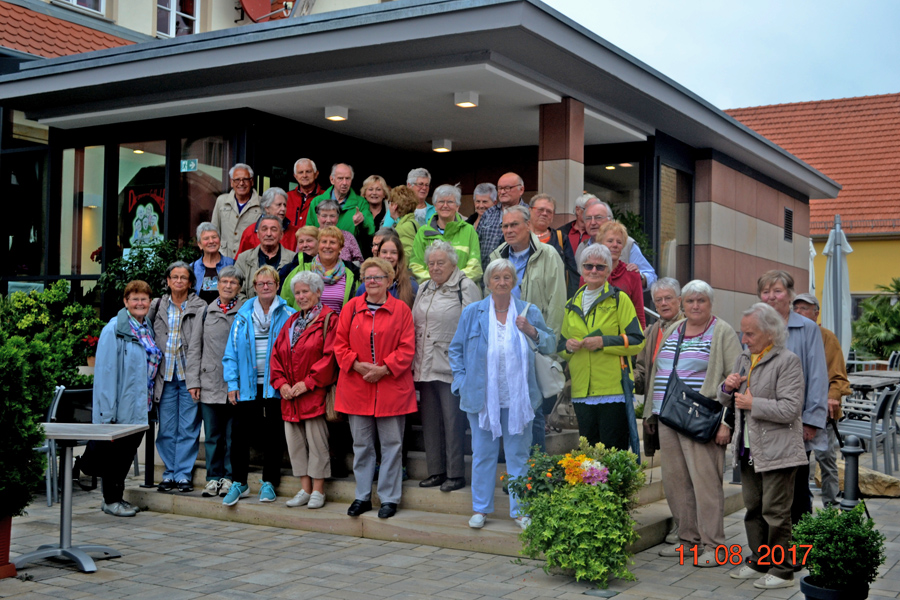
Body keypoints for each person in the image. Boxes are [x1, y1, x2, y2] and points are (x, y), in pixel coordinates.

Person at [449, 258, 556, 530]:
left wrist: (530, 330)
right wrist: (461, 382)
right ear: (487, 282)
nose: (502, 282)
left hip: (520, 399)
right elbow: (455, 350)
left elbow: (551, 343)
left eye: (507, 277)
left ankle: (521, 511)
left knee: (518, 456)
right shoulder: (473, 312)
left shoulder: (527, 311)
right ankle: (481, 509)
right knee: (483, 454)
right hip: (482, 400)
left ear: (514, 281)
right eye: (496, 278)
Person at [644, 280, 742, 567]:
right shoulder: (675, 329)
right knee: (676, 483)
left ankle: (714, 545)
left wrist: (727, 423)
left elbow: (735, 380)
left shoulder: (721, 331)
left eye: (701, 301)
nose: (695, 306)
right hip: (668, 416)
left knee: (706, 484)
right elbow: (659, 371)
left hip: (701, 419)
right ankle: (688, 540)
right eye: (690, 301)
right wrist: (652, 411)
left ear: (710, 303)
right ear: (682, 305)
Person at [721, 302, 806, 590]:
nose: (744, 340)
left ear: (770, 334)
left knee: (776, 511)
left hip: (779, 451)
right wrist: (727, 388)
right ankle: (759, 560)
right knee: (753, 508)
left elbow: (791, 409)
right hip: (748, 449)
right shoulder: (744, 358)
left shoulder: (788, 360)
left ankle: (782, 571)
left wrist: (753, 403)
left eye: (750, 334)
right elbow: (726, 402)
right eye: (743, 333)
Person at [334, 258, 417, 519]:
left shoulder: (402, 310)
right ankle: (362, 496)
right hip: (357, 387)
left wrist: (384, 368)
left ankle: (389, 498)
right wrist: (356, 365)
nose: (372, 282)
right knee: (362, 445)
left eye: (378, 277)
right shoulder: (350, 309)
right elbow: (339, 344)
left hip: (391, 386)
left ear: (389, 281)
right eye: (368, 277)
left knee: (392, 445)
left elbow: (407, 348)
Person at [488, 205, 566, 451]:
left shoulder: (549, 254)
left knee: (532, 410)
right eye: (505, 226)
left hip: (533, 343)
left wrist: (546, 346)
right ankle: (511, 468)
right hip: (502, 343)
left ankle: (536, 470)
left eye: (514, 225)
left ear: (528, 225)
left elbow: (556, 303)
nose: (509, 230)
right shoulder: (496, 256)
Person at [757, 270, 828, 525]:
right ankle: (771, 549)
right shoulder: (755, 326)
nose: (771, 297)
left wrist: (811, 421)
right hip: (763, 421)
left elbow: (818, 376)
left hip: (795, 424)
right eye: (766, 292)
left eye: (777, 291)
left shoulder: (807, 328)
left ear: (789, 295)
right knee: (767, 492)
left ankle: (800, 549)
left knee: (797, 489)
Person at [221, 266, 296, 506]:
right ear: (254, 287)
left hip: (275, 385)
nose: (265, 287)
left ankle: (269, 483)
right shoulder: (242, 316)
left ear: (277, 285)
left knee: (273, 434)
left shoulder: (289, 314)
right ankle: (239, 482)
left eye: (270, 283)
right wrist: (232, 383)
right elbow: (230, 353)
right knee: (239, 434)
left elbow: (294, 352)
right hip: (246, 386)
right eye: (261, 283)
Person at [559, 244, 644, 451]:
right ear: (581, 269)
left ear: (608, 271)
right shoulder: (571, 304)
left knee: (613, 454)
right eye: (588, 266)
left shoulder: (619, 299)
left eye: (600, 266)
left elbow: (637, 339)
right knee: (588, 456)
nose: (594, 271)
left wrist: (603, 342)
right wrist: (568, 347)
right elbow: (560, 346)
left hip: (612, 388)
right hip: (581, 390)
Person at [412, 241, 482, 492]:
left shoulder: (465, 286)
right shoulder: (423, 288)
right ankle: (436, 471)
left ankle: (455, 473)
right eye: (431, 263)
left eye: (440, 262)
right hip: (425, 364)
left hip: (452, 367)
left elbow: (475, 329)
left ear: (453, 263)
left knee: (453, 421)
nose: (435, 267)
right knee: (430, 421)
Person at [91, 280, 162, 517]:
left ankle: (115, 498)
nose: (140, 303)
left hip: (143, 404)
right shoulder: (114, 330)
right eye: (135, 299)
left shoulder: (146, 327)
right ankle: (111, 500)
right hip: (122, 407)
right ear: (125, 301)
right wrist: (107, 414)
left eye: (144, 299)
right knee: (117, 455)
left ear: (149, 302)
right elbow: (106, 373)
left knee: (127, 454)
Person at [270, 271, 338, 510]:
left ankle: (318, 490)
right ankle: (305, 488)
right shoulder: (291, 321)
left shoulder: (329, 319)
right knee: (296, 444)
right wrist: (281, 384)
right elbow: (276, 355)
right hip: (290, 397)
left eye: (305, 291)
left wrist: (308, 383)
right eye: (297, 292)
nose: (300, 296)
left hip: (313, 394)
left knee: (317, 443)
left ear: (318, 292)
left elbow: (330, 357)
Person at [187, 266, 245, 499]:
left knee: (233, 436)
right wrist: (193, 381)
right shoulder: (206, 311)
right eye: (224, 282)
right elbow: (194, 348)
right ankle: (212, 478)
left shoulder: (245, 311)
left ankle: (229, 478)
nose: (228, 286)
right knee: (212, 435)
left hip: (235, 385)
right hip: (209, 381)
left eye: (233, 282)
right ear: (217, 285)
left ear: (239, 287)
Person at [150, 261, 208, 493]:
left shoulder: (201, 306)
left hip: (188, 377)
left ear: (191, 282)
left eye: (184, 277)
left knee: (188, 427)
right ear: (168, 281)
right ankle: (169, 473)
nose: (179, 281)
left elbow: (202, 344)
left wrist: (196, 380)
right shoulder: (158, 305)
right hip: (164, 377)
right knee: (166, 428)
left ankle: (183, 474)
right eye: (174, 277)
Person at [793, 292, 850, 509]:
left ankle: (831, 506)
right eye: (796, 308)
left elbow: (839, 378)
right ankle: (802, 510)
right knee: (799, 464)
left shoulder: (827, 337)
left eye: (804, 308)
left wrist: (831, 397)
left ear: (816, 313)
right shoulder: (789, 335)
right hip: (796, 411)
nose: (799, 312)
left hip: (822, 411)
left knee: (826, 460)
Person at [410, 184, 482, 285]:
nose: (445, 206)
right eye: (441, 202)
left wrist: (452, 281)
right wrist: (438, 282)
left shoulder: (469, 231)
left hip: (462, 291)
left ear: (457, 207)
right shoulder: (423, 232)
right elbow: (415, 267)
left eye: (450, 202)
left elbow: (475, 268)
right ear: (435, 206)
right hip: (433, 291)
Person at [576, 198, 657, 288]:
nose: (593, 222)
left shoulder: (627, 244)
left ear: (610, 220)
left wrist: (639, 276)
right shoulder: (582, 248)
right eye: (588, 218)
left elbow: (652, 277)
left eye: (598, 217)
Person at [281, 226, 358, 313]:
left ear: (340, 248)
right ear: (318, 245)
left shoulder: (351, 275)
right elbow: (286, 303)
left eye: (332, 242)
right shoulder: (301, 270)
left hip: (338, 325)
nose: (327, 246)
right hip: (306, 325)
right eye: (324, 242)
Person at [597, 220, 646, 328]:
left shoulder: (632, 274)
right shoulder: (590, 273)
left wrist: (642, 339)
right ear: (600, 243)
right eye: (610, 241)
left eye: (619, 242)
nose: (615, 245)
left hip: (624, 339)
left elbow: (639, 312)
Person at [529, 193, 579, 298]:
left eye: (549, 211)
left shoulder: (561, 238)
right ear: (530, 211)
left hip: (553, 297)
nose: (544, 213)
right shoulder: (520, 236)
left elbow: (572, 273)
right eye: (540, 210)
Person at [306, 163, 375, 239]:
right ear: (332, 180)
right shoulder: (316, 202)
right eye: (340, 178)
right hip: (322, 249)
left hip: (350, 249)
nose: (344, 183)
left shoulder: (361, 203)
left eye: (348, 178)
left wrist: (363, 220)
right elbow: (309, 232)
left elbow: (371, 231)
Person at [235, 216, 297, 298]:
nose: (268, 234)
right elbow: (236, 290)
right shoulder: (243, 258)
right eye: (264, 229)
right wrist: (254, 308)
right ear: (258, 234)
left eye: (273, 229)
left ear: (281, 235)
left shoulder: (293, 259)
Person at [355, 231, 418, 309]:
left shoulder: (411, 285)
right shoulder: (366, 285)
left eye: (394, 252)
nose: (388, 256)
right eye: (384, 252)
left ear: (400, 256)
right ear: (378, 254)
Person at [477, 172, 527, 269]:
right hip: (487, 278)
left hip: (517, 277)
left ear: (521, 190)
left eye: (507, 188)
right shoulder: (488, 213)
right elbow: (476, 245)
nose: (502, 192)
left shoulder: (529, 214)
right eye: (500, 188)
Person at [211, 163, 262, 258]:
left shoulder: (262, 203)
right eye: (237, 180)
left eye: (245, 179)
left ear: (252, 181)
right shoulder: (221, 201)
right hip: (224, 258)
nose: (241, 183)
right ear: (231, 182)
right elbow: (214, 231)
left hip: (250, 258)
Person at [235, 187, 297, 256]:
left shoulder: (294, 233)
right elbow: (240, 262)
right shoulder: (250, 232)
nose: (283, 209)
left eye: (284, 205)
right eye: (279, 205)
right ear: (266, 208)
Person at [191, 222, 235, 304]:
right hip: (199, 314)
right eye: (206, 238)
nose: (211, 241)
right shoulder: (192, 268)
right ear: (199, 244)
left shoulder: (232, 264)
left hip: (226, 314)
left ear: (220, 241)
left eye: (214, 237)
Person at [311, 199, 364, 264]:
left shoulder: (347, 236)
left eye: (332, 216)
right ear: (317, 217)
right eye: (324, 216)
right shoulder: (311, 235)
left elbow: (359, 262)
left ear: (337, 218)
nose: (328, 220)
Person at [277, 225, 320, 292]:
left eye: (309, 241)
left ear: (319, 243)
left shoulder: (327, 266)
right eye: (301, 242)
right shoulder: (287, 270)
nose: (305, 245)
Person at [358, 175, 392, 255]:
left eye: (378, 189)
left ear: (384, 193)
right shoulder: (358, 212)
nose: (374, 193)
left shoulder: (392, 212)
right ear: (364, 193)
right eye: (370, 189)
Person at [286, 158, 324, 228]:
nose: (304, 175)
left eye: (308, 171)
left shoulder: (326, 197)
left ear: (316, 174)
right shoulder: (286, 198)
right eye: (300, 172)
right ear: (295, 176)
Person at [388, 185, 420, 252]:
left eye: (390, 203)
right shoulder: (411, 222)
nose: (389, 206)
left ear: (395, 206)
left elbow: (408, 253)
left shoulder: (404, 227)